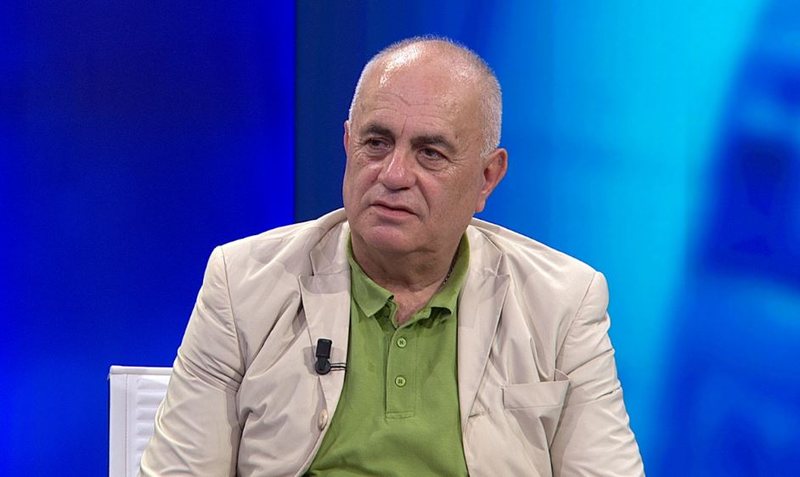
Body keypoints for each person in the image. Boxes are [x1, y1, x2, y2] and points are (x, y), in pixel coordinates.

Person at [140, 36, 644, 476]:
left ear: (487, 178)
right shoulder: (242, 283)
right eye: (377, 143)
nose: (394, 174)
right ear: (348, 145)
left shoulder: (562, 302)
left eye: (430, 153)